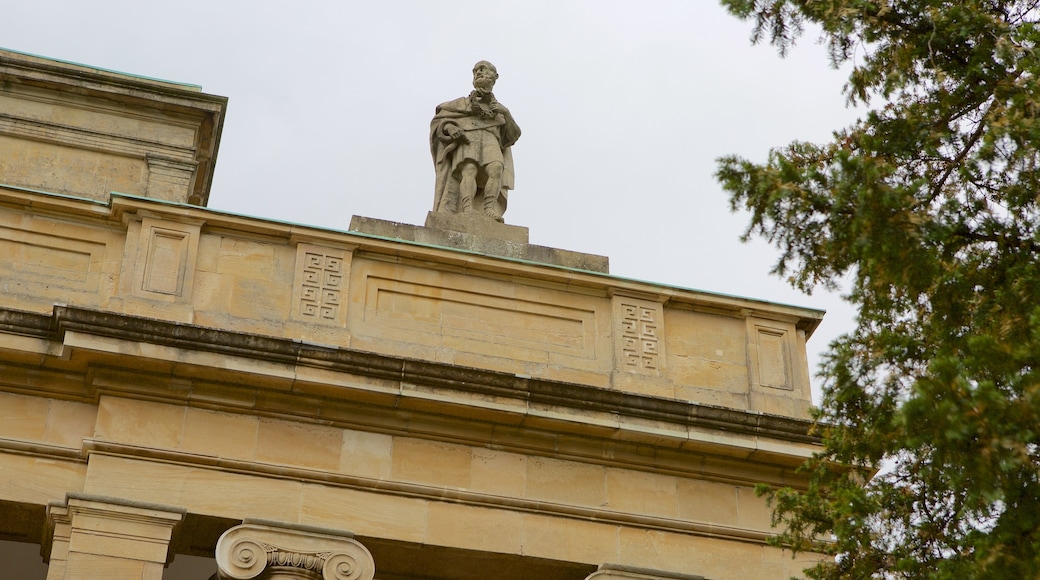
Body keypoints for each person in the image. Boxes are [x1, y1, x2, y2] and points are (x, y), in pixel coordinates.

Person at [430, 61, 521, 222]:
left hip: (491, 139)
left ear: (495, 77)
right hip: (468, 139)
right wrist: (451, 129)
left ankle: (489, 209)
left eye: (483, 69)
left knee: (496, 168)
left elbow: (513, 135)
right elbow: (441, 120)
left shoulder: (499, 110)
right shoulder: (462, 103)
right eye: (476, 71)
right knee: (469, 170)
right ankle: (467, 208)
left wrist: (506, 113)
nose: (478, 72)